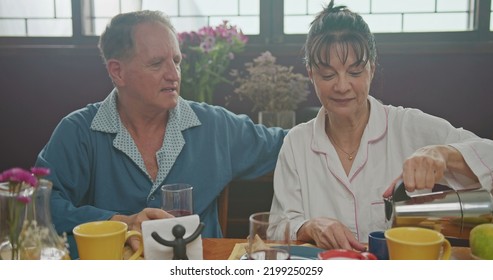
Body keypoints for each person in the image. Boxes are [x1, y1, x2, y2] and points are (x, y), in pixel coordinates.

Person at [35, 10, 286, 259]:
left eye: (176, 61)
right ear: (117, 72)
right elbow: (38, 205)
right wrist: (119, 223)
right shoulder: (78, 131)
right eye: (157, 63)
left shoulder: (215, 126)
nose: (173, 74)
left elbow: (290, 144)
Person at [269, 1, 493, 252]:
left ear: (371, 70)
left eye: (354, 72)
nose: (342, 86)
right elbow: (277, 227)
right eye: (328, 75)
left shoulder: (408, 126)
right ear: (311, 75)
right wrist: (308, 226)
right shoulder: (297, 142)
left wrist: (445, 154)